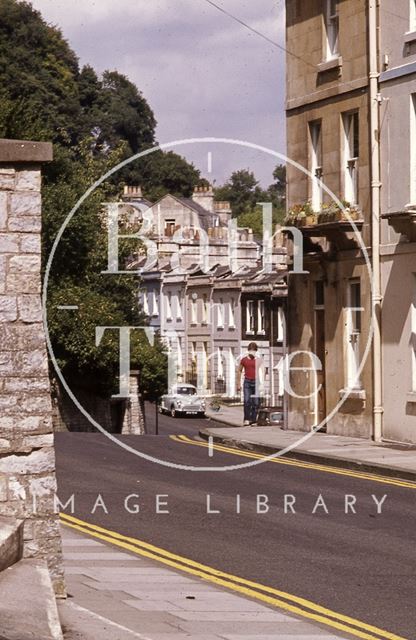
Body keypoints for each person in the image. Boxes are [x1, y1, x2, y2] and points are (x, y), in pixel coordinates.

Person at [237, 342, 262, 426]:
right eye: (251, 351)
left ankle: (253, 419)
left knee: (256, 402)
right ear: (248, 351)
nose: (253, 353)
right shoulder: (244, 360)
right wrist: (238, 383)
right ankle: (247, 419)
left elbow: (262, 371)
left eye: (254, 351)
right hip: (247, 382)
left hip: (256, 382)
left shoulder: (258, 360)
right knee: (247, 401)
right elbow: (239, 370)